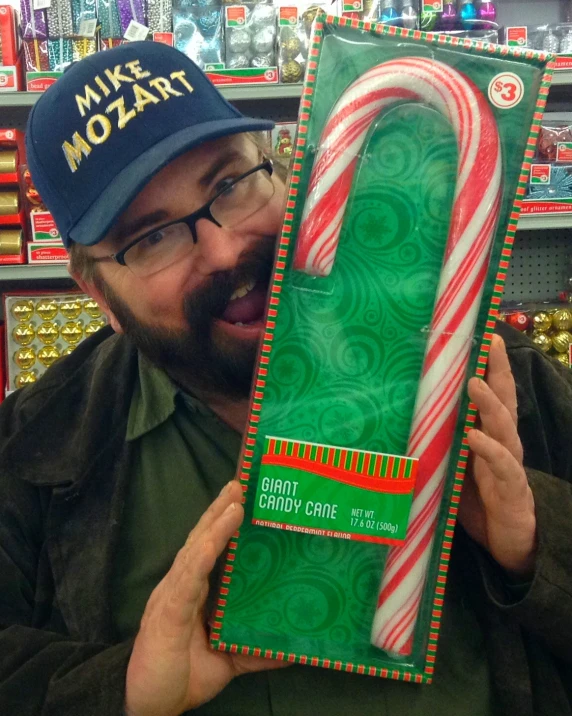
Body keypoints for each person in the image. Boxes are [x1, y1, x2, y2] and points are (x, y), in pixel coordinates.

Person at [0, 41, 571, 716]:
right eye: (151, 236)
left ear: (279, 169)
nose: (223, 248)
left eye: (229, 185)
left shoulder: (495, 379)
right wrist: (119, 690)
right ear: (98, 293)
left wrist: (535, 546)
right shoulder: (33, 448)